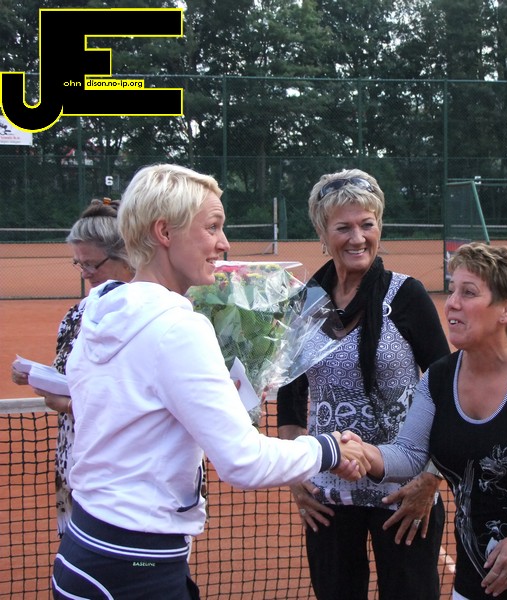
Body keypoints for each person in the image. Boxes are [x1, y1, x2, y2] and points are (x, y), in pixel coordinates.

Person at [50, 163, 368, 599]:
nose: (224, 243)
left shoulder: (100, 306)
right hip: (137, 567)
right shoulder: (178, 329)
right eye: (212, 227)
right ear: (164, 232)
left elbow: (141, 413)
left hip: (85, 550)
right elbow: (244, 462)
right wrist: (331, 449)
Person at [350, 242, 507, 599]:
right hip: (472, 581)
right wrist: (360, 453)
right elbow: (409, 454)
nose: (451, 303)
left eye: (469, 292)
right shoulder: (438, 378)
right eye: (452, 290)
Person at [276, 168, 450, 600]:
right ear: (322, 234)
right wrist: (297, 474)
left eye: (367, 224)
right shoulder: (305, 304)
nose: (358, 238)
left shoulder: (406, 296)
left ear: (379, 227)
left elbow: (447, 388)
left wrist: (431, 478)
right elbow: (290, 395)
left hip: (404, 492)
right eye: (343, 228)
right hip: (328, 493)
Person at [10, 198, 135, 535]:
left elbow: (138, 404)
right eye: (79, 263)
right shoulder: (76, 314)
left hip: (127, 474)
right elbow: (67, 376)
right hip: (77, 459)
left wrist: (68, 404)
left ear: (127, 256)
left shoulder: (150, 316)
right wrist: (36, 376)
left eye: (93, 264)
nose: (86, 273)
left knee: (129, 560)